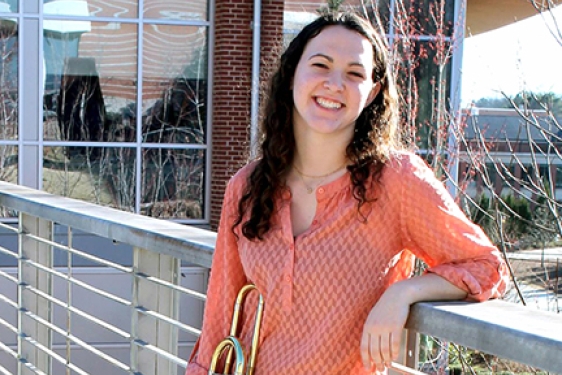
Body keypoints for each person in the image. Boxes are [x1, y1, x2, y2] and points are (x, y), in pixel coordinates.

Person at [185, 11, 509, 375]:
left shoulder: (395, 181)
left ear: (371, 92)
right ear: (293, 73)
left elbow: (486, 266)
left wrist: (404, 293)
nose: (335, 83)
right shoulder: (245, 186)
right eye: (321, 65)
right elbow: (218, 320)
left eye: (354, 73)